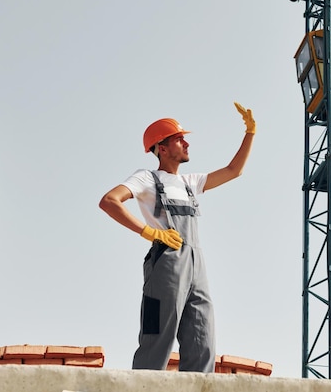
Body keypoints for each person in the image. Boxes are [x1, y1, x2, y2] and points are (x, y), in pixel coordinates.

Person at [99, 102, 255, 373]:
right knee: (156, 338)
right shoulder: (146, 178)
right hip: (166, 262)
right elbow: (110, 201)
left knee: (202, 340)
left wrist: (250, 133)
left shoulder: (190, 182)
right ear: (161, 148)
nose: (187, 144)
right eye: (179, 139)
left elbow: (233, 171)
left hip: (197, 264)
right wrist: (148, 231)